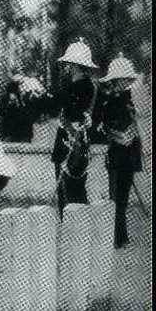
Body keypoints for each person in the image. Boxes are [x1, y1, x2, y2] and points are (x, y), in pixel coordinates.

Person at [94, 55, 143, 248]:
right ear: (114, 81)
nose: (125, 83)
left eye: (126, 80)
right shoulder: (110, 102)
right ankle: (116, 237)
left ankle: (121, 237)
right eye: (121, 80)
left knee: (122, 199)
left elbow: (132, 128)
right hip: (117, 155)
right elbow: (105, 127)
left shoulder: (128, 100)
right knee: (116, 199)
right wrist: (119, 135)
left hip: (127, 156)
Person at [52, 39, 98, 214]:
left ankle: (71, 227)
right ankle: (74, 226)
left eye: (68, 63)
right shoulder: (80, 86)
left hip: (71, 143)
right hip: (75, 142)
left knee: (69, 192)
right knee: (73, 191)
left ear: (74, 65)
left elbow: (73, 112)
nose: (65, 67)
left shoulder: (81, 87)